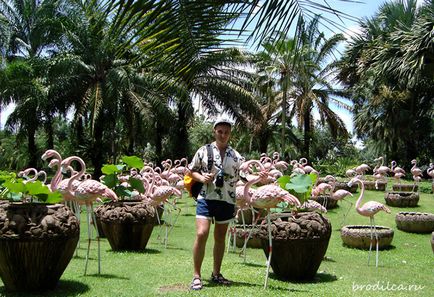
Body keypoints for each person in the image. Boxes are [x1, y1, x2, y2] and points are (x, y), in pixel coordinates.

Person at [188, 117, 256, 291]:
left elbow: (243, 175)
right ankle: (196, 276)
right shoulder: (204, 151)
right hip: (206, 197)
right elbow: (191, 170)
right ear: (215, 131)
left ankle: (216, 273)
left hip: (227, 199)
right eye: (220, 131)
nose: (223, 135)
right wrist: (202, 177)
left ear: (230, 134)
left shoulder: (236, 155)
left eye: (226, 132)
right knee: (202, 233)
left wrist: (259, 179)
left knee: (220, 237)